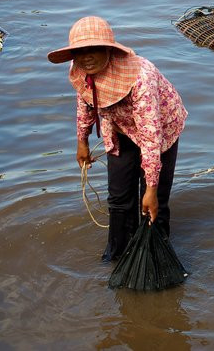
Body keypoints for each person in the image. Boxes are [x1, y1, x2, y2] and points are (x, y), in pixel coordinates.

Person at [48, 16, 187, 261]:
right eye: (80, 51)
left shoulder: (140, 76)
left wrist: (151, 188)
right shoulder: (81, 69)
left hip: (159, 129)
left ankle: (155, 255)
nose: (86, 56)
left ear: (109, 50)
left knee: (154, 202)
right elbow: (85, 102)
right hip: (121, 128)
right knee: (119, 196)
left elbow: (151, 136)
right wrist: (82, 141)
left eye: (94, 49)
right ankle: (119, 253)